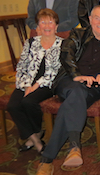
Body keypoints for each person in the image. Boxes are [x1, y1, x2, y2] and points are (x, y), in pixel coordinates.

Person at [31, 5, 100, 175]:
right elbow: (66, 53)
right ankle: (74, 145)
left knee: (73, 101)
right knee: (76, 91)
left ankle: (47, 161)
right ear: (90, 19)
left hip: (94, 86)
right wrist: (77, 75)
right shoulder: (78, 34)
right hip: (69, 81)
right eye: (97, 18)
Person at [7, 9, 62, 154]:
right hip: (27, 81)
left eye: (50, 22)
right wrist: (26, 85)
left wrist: (35, 86)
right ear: (38, 26)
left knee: (28, 102)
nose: (47, 25)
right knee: (12, 105)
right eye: (43, 22)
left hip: (48, 83)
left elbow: (55, 71)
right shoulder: (31, 42)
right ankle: (36, 138)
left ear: (56, 26)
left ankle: (34, 135)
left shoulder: (62, 44)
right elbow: (22, 65)